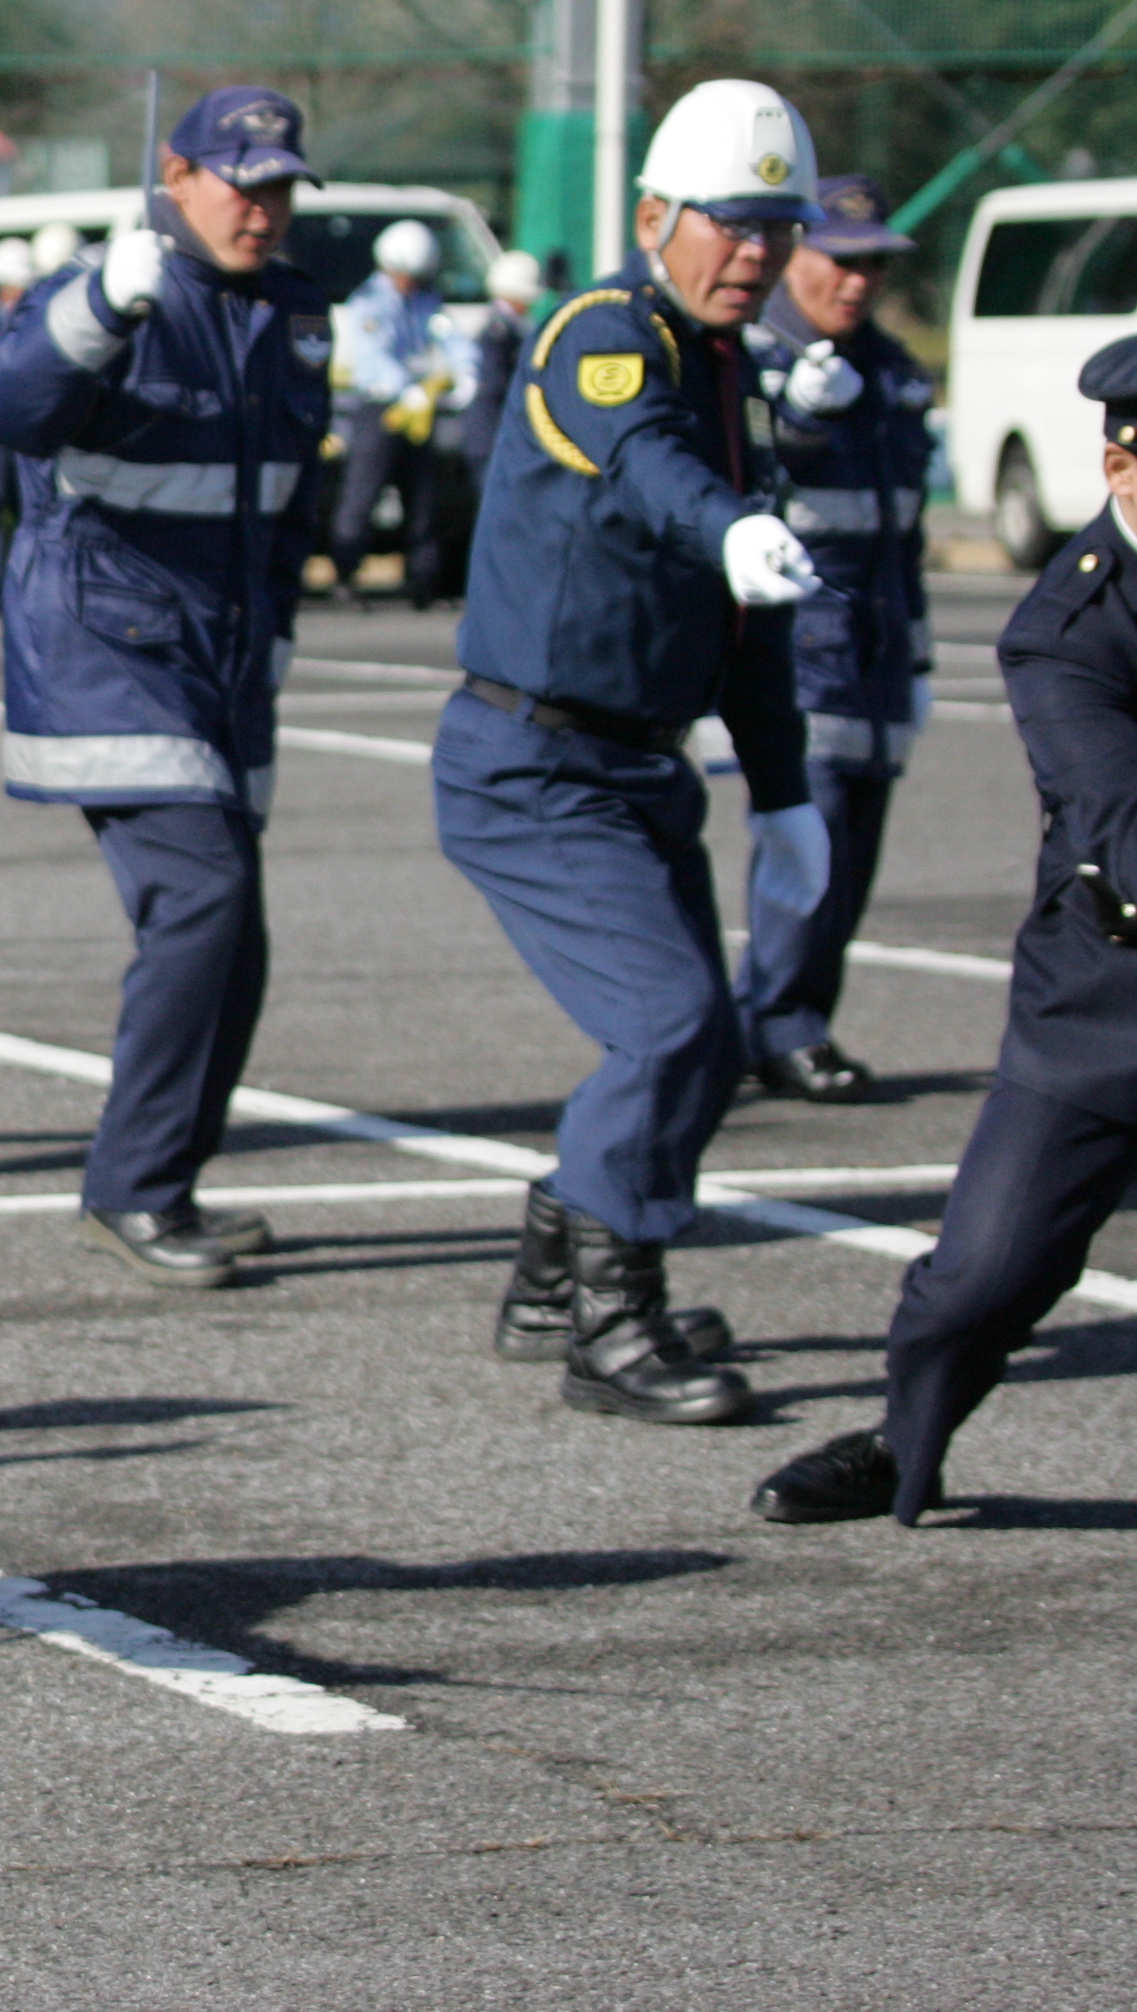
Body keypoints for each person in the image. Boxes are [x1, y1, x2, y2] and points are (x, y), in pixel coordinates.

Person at [434, 78, 831, 1428]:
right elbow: (642, 456)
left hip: (638, 764)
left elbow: (753, 613)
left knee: (704, 1043)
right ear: (656, 215)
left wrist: (784, 797)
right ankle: (610, 1320)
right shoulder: (603, 335)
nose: (758, 252)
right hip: (532, 761)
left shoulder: (730, 374)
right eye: (731, 222)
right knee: (670, 1024)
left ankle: (562, 1257)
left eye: (778, 226)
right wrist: (725, 524)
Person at [752, 333, 1137, 1525]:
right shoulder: (1066, 629)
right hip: (1108, 999)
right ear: (1127, 471)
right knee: (983, 1275)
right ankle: (902, 1440)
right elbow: (1121, 822)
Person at [0, 87, 333, 1292]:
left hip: (224, 661)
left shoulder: (292, 311)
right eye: (241, 181)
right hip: (107, 642)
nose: (263, 207)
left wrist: (272, 642)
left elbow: (280, 508)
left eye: (281, 185)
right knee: (204, 894)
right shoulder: (112, 290)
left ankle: (163, 1180)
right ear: (172, 173)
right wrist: (97, 306)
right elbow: (6, 407)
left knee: (239, 934)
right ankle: (129, 1188)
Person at [733, 175, 939, 1103]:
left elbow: (905, 534)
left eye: (871, 268)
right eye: (839, 263)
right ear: (797, 255)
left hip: (879, 651)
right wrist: (801, 415)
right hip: (802, 655)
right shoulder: (754, 358)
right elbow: (742, 480)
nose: (856, 285)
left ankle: (797, 1018)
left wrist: (922, 653)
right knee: (806, 855)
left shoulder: (893, 370)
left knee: (852, 862)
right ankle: (776, 1023)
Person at [328, 219, 466, 608]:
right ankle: (345, 576)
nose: (412, 283)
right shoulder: (369, 302)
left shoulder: (425, 298)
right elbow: (375, 357)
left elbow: (447, 335)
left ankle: (423, 582)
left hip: (419, 410)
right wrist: (406, 391)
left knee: (423, 497)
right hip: (381, 408)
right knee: (362, 493)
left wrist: (466, 370)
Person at [441, 248, 544, 605]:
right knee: (494, 517)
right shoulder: (499, 332)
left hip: (495, 439)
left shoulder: (511, 328)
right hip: (491, 440)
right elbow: (498, 391)